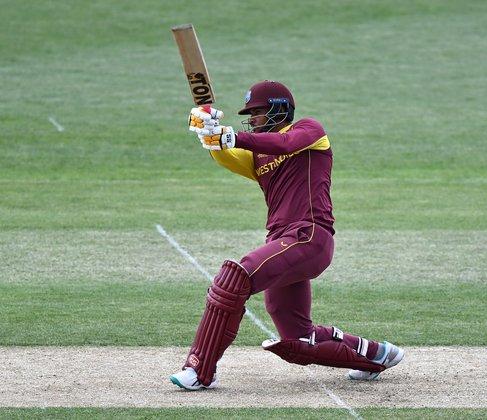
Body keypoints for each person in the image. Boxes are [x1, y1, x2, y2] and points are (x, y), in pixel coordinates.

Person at [169, 80, 404, 390]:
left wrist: (233, 135)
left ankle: (200, 369)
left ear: (278, 110)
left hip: (309, 237)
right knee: (297, 340)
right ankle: (377, 356)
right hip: (283, 243)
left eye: (256, 112)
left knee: (234, 277)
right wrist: (209, 133)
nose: (251, 119)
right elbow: (227, 153)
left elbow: (285, 144)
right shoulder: (257, 156)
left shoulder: (310, 132)